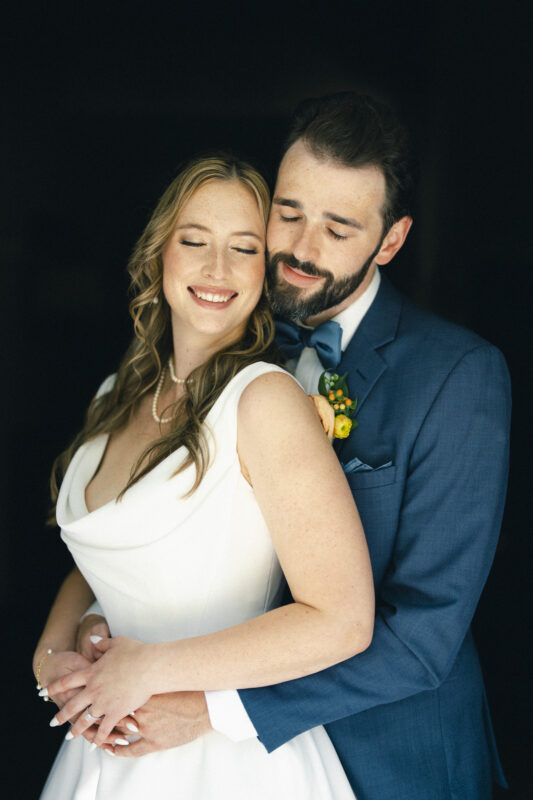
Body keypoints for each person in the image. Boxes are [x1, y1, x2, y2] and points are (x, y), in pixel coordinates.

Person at [77, 93, 511, 800]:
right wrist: (104, 620)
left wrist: (215, 709)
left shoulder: (457, 377)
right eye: (288, 213)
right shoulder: (226, 341)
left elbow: (424, 633)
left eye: (338, 229)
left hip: (388, 761)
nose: (301, 251)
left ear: (390, 242)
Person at [34, 155, 375, 799]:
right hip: (103, 744)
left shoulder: (265, 402)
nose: (216, 270)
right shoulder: (117, 393)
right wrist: (54, 655)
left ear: (262, 272)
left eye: (243, 249)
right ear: (160, 252)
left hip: (225, 760)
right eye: (194, 242)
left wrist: (150, 668)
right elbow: (106, 556)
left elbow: (342, 619)